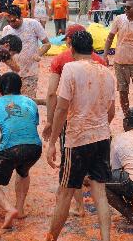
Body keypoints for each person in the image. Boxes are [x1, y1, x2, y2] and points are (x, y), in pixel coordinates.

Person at [43, 30, 115, 241]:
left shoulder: (70, 69)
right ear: (92, 50)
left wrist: (53, 141)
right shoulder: (106, 71)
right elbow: (111, 111)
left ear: (71, 48)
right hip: (102, 137)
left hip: (77, 140)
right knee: (100, 194)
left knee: (64, 193)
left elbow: (62, 108)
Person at [42, 24, 105, 216]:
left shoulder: (61, 61)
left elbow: (53, 94)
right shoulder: (100, 61)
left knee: (70, 165)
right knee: (95, 170)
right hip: (96, 120)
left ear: (70, 40)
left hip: (72, 119)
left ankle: (79, 206)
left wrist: (50, 121)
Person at [0, 72, 43, 227]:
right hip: (35, 148)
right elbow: (29, 127)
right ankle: (20, 210)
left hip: (11, 148)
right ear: (20, 87)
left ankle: (9, 209)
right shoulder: (30, 102)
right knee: (23, 171)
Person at [0, 5, 50, 99]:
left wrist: (38, 54)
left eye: (14, 20)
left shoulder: (33, 24)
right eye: (8, 21)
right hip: (13, 73)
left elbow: (47, 44)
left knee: (28, 101)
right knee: (14, 102)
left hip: (30, 72)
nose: (11, 23)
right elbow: (4, 51)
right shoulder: (6, 29)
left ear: (20, 17)